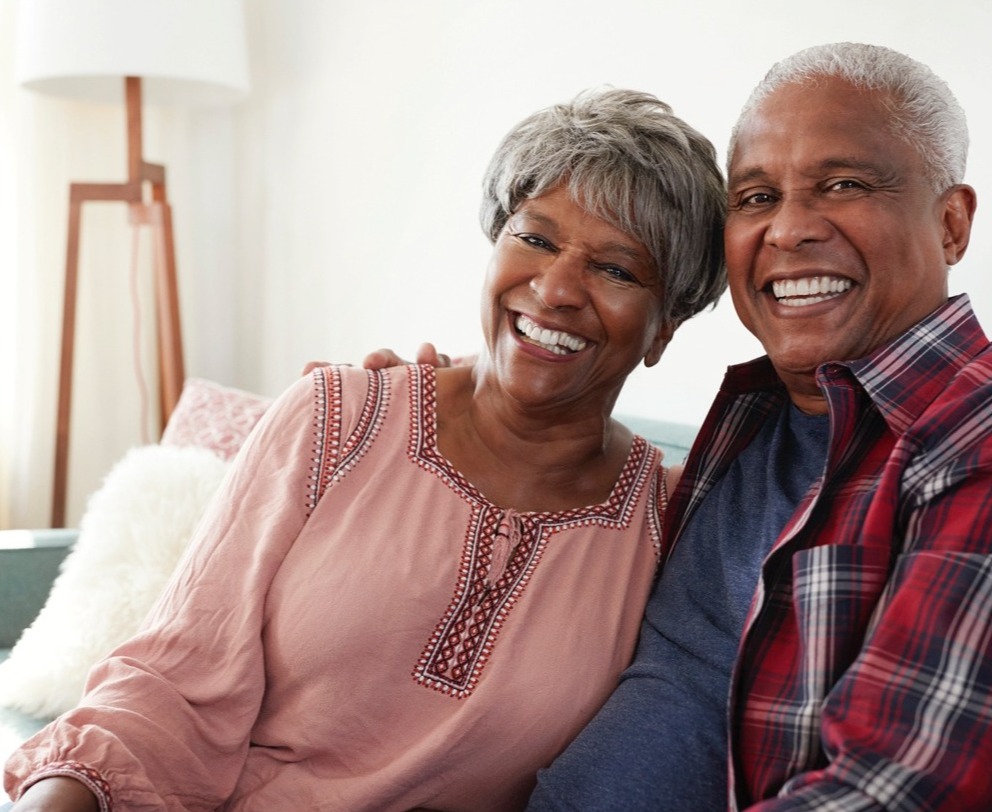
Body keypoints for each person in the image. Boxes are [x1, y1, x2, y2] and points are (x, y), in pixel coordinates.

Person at [381, 43, 992, 810]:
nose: (788, 229)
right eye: (755, 197)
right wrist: (446, 406)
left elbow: (906, 792)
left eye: (842, 184)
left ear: (950, 225)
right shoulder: (743, 435)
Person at [2, 87, 727, 811]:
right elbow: (173, 682)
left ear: (665, 327)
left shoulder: (669, 527)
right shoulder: (339, 417)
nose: (557, 288)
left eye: (616, 270)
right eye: (535, 239)